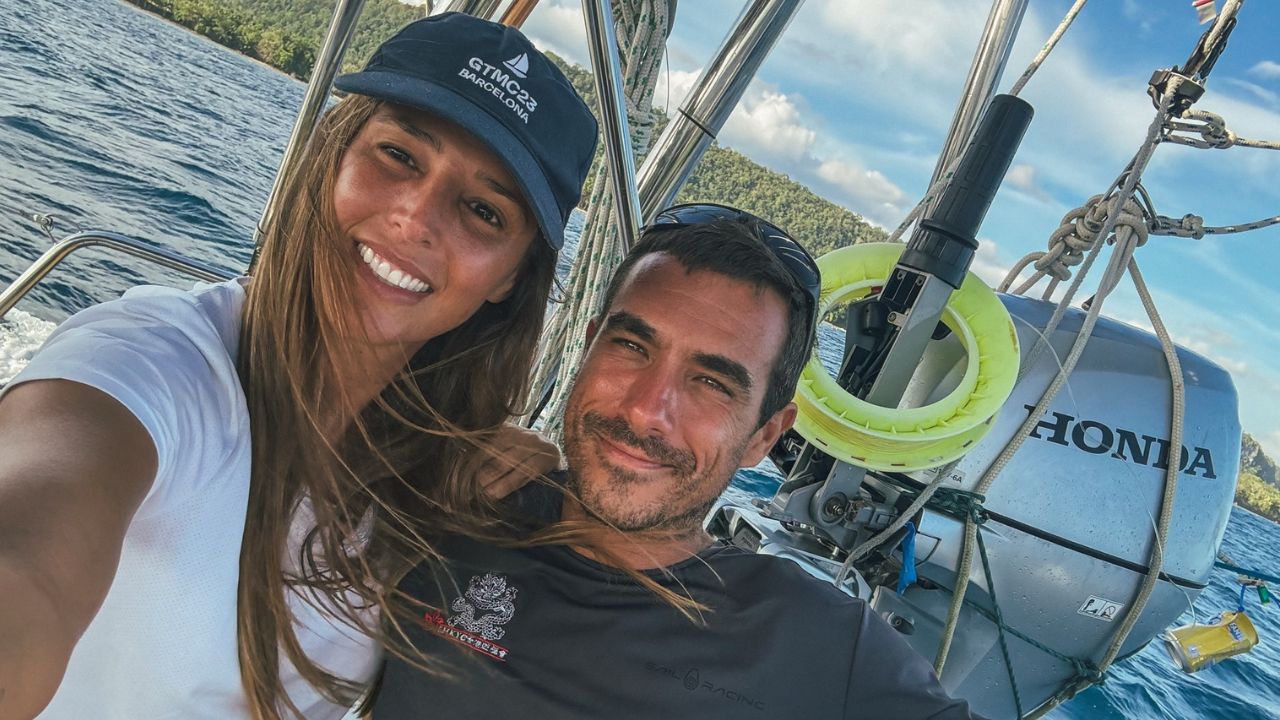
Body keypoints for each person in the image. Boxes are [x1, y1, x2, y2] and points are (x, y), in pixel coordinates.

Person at [0, 13, 597, 720]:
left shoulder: (435, 474)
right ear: (330, 154)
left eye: (483, 211)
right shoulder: (154, 362)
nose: (417, 217)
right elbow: (31, 556)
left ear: (511, 278)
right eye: (400, 155)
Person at [372, 204, 978, 719]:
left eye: (712, 383)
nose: (646, 411)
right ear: (588, 347)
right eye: (632, 346)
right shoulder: (448, 498)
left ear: (764, 436)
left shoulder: (824, 648)